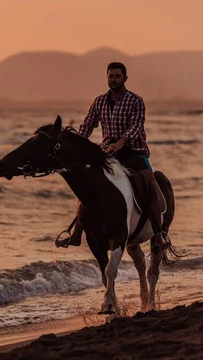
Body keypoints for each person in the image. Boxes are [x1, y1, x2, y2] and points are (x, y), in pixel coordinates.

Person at [56, 62, 163, 247]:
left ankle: (159, 234)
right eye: (111, 76)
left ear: (125, 79)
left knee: (150, 182)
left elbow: (137, 126)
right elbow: (88, 125)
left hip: (134, 152)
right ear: (106, 77)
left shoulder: (135, 101)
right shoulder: (99, 101)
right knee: (88, 184)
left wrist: (120, 143)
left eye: (117, 76)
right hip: (108, 153)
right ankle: (76, 234)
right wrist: (77, 146)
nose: (114, 80)